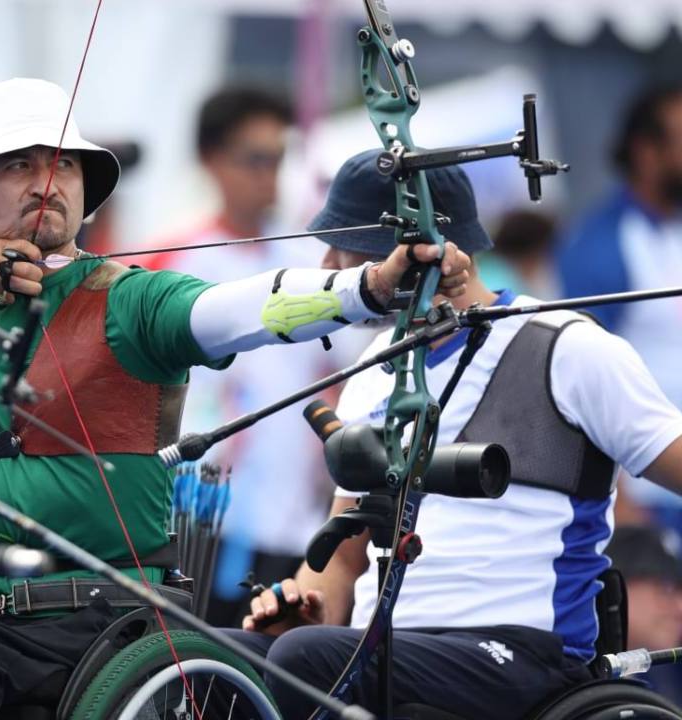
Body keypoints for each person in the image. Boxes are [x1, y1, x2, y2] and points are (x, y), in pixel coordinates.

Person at [0, 78, 471, 720]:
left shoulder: (129, 298)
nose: (46, 182)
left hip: (101, 617)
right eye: (19, 166)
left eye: (64, 166)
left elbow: (237, 307)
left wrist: (371, 286)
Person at [232, 150, 682, 719]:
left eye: (340, 241)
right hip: (388, 650)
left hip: (522, 658)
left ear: (413, 249)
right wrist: (307, 602)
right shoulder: (371, 371)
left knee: (307, 658)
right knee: (228, 660)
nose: (326, 261)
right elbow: (342, 559)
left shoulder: (568, 346)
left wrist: (309, 642)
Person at [142, 85, 342, 625]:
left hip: (292, 520)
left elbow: (341, 378)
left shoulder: (308, 259)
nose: (269, 176)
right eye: (253, 159)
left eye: (278, 159)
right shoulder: (171, 256)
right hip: (197, 515)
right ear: (211, 160)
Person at [557, 84, 682, 533]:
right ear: (646, 152)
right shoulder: (601, 246)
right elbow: (579, 374)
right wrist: (624, 506)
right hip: (654, 497)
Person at [605, 525, 682, 706]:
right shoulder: (563, 679)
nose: (679, 608)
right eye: (665, 589)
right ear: (615, 586)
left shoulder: (659, 685)